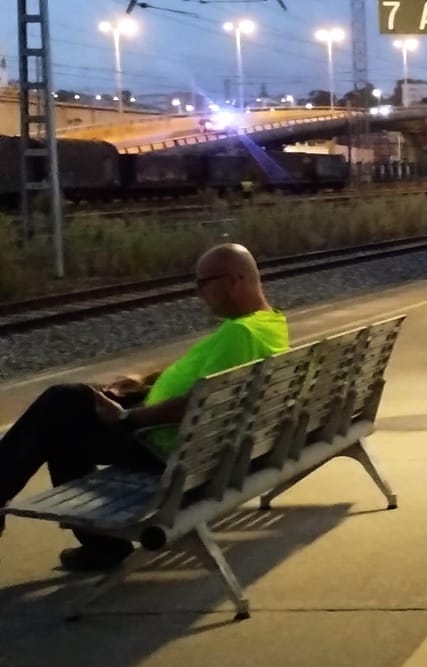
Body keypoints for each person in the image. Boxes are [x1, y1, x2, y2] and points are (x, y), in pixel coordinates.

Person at [0, 243, 288, 570]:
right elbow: (200, 376)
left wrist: (127, 417)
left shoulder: (240, 333)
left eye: (202, 283)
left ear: (234, 281)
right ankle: (101, 546)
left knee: (59, 411)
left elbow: (198, 403)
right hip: (199, 448)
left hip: (168, 452)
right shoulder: (266, 324)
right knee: (67, 405)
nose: (198, 293)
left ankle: (103, 547)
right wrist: (143, 382)